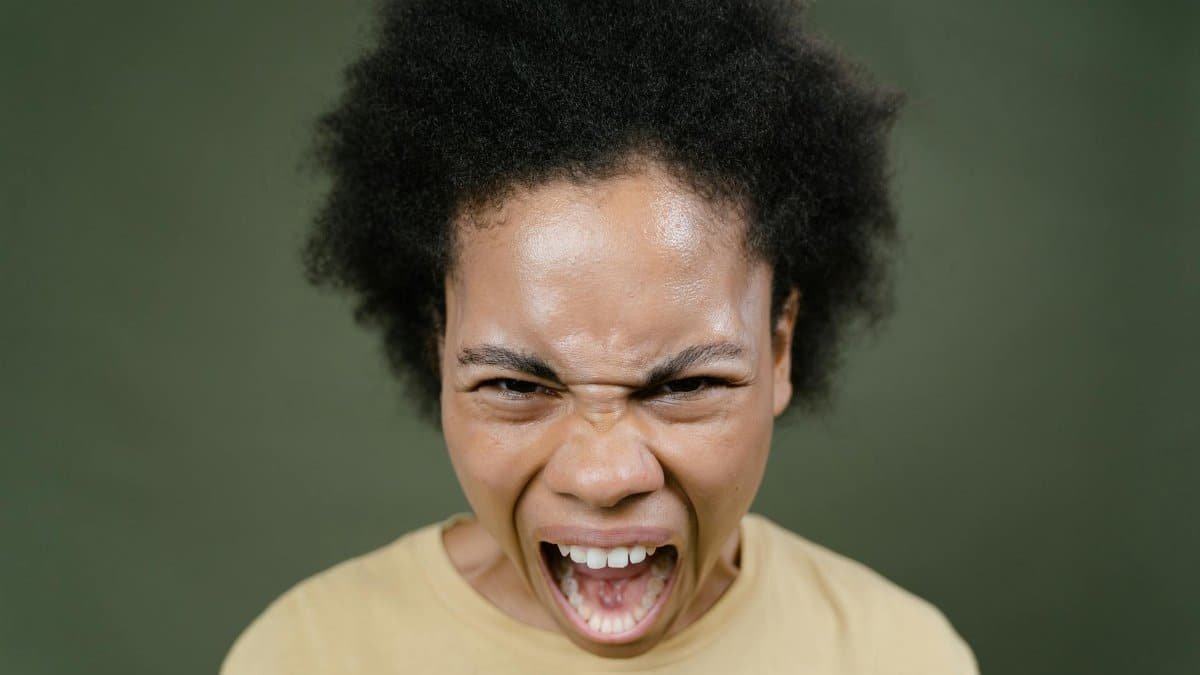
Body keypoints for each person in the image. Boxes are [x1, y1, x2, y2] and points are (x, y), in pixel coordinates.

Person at [222, 0, 977, 672]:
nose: (604, 474)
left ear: (780, 347)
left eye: (686, 385)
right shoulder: (305, 653)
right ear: (437, 345)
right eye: (517, 386)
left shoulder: (898, 654)